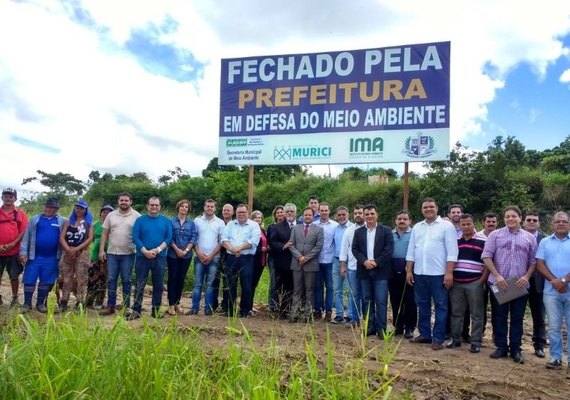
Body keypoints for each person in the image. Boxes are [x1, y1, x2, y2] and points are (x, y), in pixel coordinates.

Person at [482, 205, 537, 364]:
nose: (510, 219)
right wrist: (496, 275)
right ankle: (501, 347)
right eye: (507, 217)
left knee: (517, 317)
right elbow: (486, 256)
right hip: (500, 283)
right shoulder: (495, 235)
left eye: (514, 216)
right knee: (499, 317)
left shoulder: (529, 238)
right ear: (504, 219)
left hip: (519, 285)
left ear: (520, 218)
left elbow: (533, 261)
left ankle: (516, 349)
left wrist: (527, 277)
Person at [406, 198, 458, 350]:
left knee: (441, 306)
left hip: (439, 274)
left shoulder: (446, 226)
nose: (428, 209)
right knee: (422, 305)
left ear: (437, 208)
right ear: (422, 210)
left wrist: (449, 273)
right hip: (419, 273)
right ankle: (425, 334)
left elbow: (452, 252)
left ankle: (438, 337)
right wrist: (409, 271)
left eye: (431, 207)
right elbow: (411, 251)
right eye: (425, 207)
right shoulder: (417, 227)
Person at [447, 214, 488, 353]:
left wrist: (481, 281)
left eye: (468, 224)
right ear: (459, 226)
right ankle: (456, 339)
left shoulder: (483, 240)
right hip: (457, 282)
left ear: (473, 224)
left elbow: (488, 262)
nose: (465, 227)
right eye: (462, 224)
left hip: (474, 282)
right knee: (456, 313)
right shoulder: (455, 240)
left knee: (476, 314)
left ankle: (475, 342)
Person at [351, 204, 394, 337]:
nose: (369, 216)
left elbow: (389, 249)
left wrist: (376, 262)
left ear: (377, 215)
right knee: (367, 300)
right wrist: (364, 261)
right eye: (367, 214)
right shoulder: (358, 232)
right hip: (364, 270)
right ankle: (370, 327)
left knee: (381, 301)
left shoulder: (386, 230)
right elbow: (355, 249)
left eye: (372, 214)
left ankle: (381, 329)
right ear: (363, 216)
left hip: (381, 271)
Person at [535, 211, 570, 369]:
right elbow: (539, 264)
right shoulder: (545, 242)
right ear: (552, 224)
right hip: (551, 291)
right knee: (554, 326)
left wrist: (564, 281)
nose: (561, 224)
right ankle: (556, 357)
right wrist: (554, 281)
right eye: (557, 221)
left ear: (569, 223)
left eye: (564, 221)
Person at [20, 198, 66, 312]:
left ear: (56, 209)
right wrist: (23, 252)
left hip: (52, 258)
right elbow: (26, 237)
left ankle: (40, 304)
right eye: (46, 206)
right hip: (34, 256)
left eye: (51, 207)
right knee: (29, 279)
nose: (48, 209)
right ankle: (27, 304)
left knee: (46, 281)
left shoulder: (62, 221)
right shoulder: (35, 219)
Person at [128, 196, 172, 320]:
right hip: (142, 256)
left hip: (160, 257)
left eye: (156, 205)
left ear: (160, 207)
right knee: (140, 283)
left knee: (158, 284)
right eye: (152, 205)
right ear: (147, 206)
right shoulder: (140, 220)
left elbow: (168, 238)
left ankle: (156, 310)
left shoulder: (166, 221)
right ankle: (136, 310)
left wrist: (157, 250)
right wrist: (145, 251)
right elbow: (135, 237)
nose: (154, 207)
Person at [99, 192, 141, 315]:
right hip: (112, 252)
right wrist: (102, 250)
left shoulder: (137, 216)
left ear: (130, 202)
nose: (124, 202)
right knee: (111, 279)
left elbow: (139, 234)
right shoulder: (111, 215)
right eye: (121, 200)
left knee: (126, 280)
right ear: (118, 201)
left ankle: (126, 307)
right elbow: (105, 233)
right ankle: (110, 306)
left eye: (126, 200)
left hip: (128, 253)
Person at [221, 204, 261, 317]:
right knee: (230, 284)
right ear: (236, 213)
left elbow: (253, 241)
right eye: (239, 212)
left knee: (246, 285)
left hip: (246, 259)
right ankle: (229, 311)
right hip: (231, 258)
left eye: (243, 212)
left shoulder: (254, 225)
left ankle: (244, 311)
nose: (241, 214)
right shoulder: (230, 224)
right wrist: (233, 249)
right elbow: (224, 240)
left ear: (248, 213)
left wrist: (239, 248)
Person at [289, 207, 324, 323]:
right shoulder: (295, 228)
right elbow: (291, 244)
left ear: (313, 216)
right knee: (296, 290)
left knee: (309, 290)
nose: (307, 217)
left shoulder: (319, 229)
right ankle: (294, 314)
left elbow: (318, 247)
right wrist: (299, 257)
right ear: (302, 216)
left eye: (309, 215)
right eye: (305, 215)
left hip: (311, 264)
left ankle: (308, 315)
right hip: (297, 263)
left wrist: (306, 258)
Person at [58, 199, 94, 311]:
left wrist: (77, 249)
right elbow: (62, 238)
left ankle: (79, 302)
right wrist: (69, 250)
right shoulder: (68, 222)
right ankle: (64, 302)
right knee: (67, 278)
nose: (79, 210)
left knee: (81, 278)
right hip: (68, 253)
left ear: (85, 210)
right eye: (77, 207)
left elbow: (90, 238)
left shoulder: (88, 223)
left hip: (82, 253)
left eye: (81, 208)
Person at [190, 199, 225, 315]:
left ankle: (208, 309)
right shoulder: (197, 220)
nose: (209, 208)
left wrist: (211, 255)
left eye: (212, 206)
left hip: (214, 258)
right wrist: (199, 253)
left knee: (210, 285)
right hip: (198, 257)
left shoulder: (220, 222)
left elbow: (221, 242)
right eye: (207, 206)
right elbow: (193, 239)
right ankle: (194, 308)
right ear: (204, 207)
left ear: (215, 208)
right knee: (197, 284)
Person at [523, 211, 547, 358]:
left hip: (538, 282)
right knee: (516, 315)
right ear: (524, 222)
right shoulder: (517, 236)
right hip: (519, 281)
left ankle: (539, 345)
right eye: (529, 220)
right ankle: (515, 344)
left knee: (539, 315)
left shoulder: (545, 240)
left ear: (539, 223)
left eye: (534, 220)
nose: (531, 222)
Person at [389, 210, 416, 339]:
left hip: (409, 271)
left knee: (410, 301)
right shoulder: (390, 234)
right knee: (395, 301)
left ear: (410, 221)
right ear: (395, 221)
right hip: (393, 271)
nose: (402, 221)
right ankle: (398, 326)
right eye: (399, 219)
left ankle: (410, 328)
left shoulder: (414, 234)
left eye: (405, 219)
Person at [166, 199, 197, 315]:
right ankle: (170, 304)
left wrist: (186, 250)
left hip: (186, 255)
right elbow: (169, 237)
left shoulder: (192, 223)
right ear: (178, 207)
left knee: (181, 278)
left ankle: (177, 304)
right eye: (182, 206)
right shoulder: (171, 222)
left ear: (188, 209)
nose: (184, 208)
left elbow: (193, 237)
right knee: (172, 278)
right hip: (173, 254)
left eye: (186, 207)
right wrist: (177, 249)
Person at [0, 187, 28, 307]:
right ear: (2, 197)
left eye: (11, 196)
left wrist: (13, 243)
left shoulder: (20, 214)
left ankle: (15, 298)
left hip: (14, 251)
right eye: (6, 196)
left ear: (15, 198)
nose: (8, 198)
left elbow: (23, 231)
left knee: (14, 275)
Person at [268, 203, 296, 320]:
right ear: (284, 213)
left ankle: (296, 310)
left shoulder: (300, 225)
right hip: (283, 262)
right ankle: (284, 311)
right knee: (283, 287)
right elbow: (272, 242)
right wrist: (284, 246)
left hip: (299, 262)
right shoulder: (277, 227)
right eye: (287, 211)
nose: (289, 213)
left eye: (291, 211)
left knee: (297, 287)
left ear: (295, 213)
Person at [340, 205, 365, 326]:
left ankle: (367, 320)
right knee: (354, 294)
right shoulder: (349, 230)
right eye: (356, 213)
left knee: (366, 295)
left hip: (368, 268)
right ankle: (354, 319)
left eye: (360, 213)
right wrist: (343, 266)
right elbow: (344, 249)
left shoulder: (371, 229)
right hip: (352, 267)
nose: (358, 215)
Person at [86, 204, 113, 309]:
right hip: (95, 256)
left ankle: (99, 303)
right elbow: (92, 239)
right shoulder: (96, 225)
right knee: (92, 279)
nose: (106, 214)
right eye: (104, 211)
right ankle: (88, 302)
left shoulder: (113, 226)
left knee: (103, 279)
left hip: (108, 257)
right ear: (101, 213)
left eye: (109, 212)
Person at [314, 202, 338, 322]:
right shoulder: (314, 225)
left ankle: (328, 311)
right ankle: (318, 310)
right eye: (321, 210)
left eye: (326, 210)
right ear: (318, 211)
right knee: (317, 287)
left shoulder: (335, 225)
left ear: (329, 211)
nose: (323, 213)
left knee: (330, 287)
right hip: (317, 261)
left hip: (330, 261)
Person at [331, 206, 352, 324]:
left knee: (350, 290)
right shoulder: (335, 228)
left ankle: (350, 314)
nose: (341, 217)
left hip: (349, 262)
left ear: (348, 215)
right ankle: (339, 314)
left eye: (343, 214)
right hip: (336, 261)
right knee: (337, 290)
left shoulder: (352, 228)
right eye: (339, 215)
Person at [214, 203, 234, 313]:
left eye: (228, 210)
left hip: (230, 256)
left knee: (228, 282)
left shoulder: (235, 224)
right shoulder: (217, 222)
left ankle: (226, 306)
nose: (226, 212)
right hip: (217, 255)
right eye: (224, 210)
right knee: (215, 281)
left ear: (232, 212)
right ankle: (213, 304)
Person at [266, 205, 285, 312]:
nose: (280, 214)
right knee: (274, 282)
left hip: (285, 258)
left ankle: (283, 304)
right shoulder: (271, 227)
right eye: (278, 212)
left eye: (281, 212)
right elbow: (269, 242)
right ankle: (273, 305)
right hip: (273, 257)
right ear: (275, 215)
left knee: (284, 282)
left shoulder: (288, 226)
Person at [250, 210, 268, 314]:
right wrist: (262, 249)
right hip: (253, 260)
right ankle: (247, 307)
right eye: (256, 217)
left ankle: (251, 305)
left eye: (260, 217)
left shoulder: (262, 230)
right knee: (250, 284)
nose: (258, 219)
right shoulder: (251, 230)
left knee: (254, 284)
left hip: (261, 261)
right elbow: (252, 244)